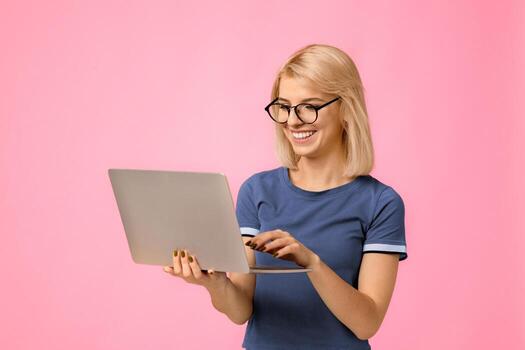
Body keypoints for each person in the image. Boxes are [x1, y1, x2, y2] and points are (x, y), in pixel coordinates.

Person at [163, 43, 408, 350]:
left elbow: (366, 323)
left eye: (309, 107)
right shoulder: (257, 191)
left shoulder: (380, 203)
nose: (293, 121)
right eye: (284, 107)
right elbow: (241, 310)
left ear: (346, 108)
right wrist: (214, 282)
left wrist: (311, 263)